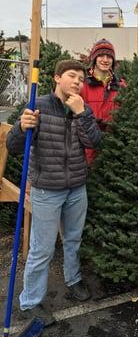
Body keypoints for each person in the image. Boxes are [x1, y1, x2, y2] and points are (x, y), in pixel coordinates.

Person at [6, 60, 101, 323]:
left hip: (76, 188)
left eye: (81, 79)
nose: (78, 82)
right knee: (42, 248)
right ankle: (30, 301)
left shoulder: (82, 107)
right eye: (72, 76)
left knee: (73, 240)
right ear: (57, 78)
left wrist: (81, 113)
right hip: (47, 190)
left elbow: (94, 142)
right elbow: (13, 145)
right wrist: (20, 127)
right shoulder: (38, 105)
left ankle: (74, 280)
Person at [81, 38, 126, 164]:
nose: (105, 60)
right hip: (88, 149)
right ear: (94, 58)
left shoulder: (121, 86)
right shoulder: (83, 85)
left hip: (113, 148)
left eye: (109, 56)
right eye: (101, 55)